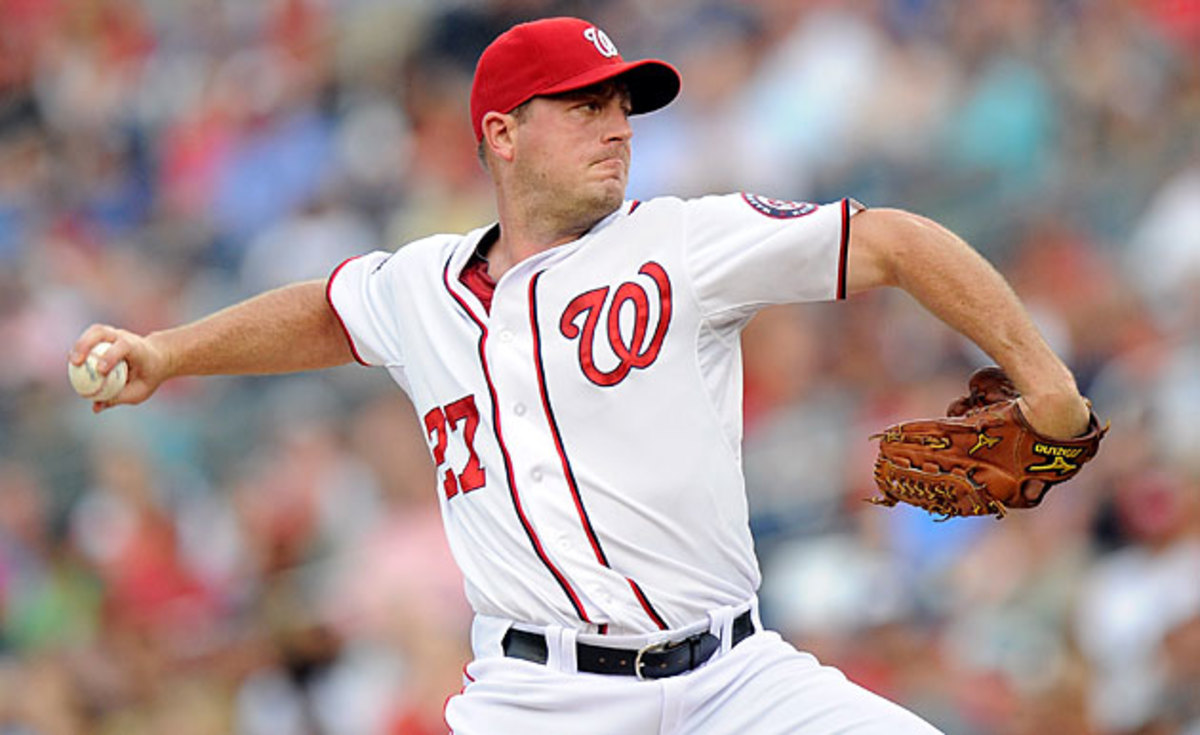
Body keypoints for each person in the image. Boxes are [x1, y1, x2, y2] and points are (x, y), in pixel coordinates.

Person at [70, 16, 1092, 734]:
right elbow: (323, 313)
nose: (617, 124)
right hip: (542, 702)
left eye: (621, 104)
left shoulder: (683, 242)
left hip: (737, 676)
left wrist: (1039, 373)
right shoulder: (422, 284)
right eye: (584, 105)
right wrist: (167, 355)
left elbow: (896, 242)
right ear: (501, 136)